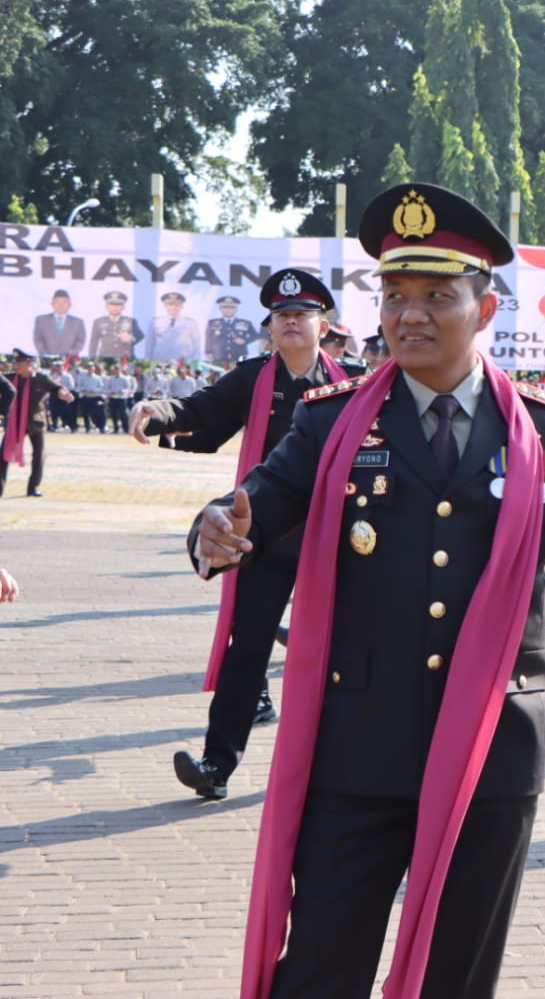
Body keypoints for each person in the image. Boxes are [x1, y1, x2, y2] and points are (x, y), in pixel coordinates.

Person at [189, 181, 545, 999]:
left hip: (492, 746)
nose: (410, 315)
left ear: (486, 304)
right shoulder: (332, 423)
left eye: (437, 295)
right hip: (359, 742)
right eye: (395, 295)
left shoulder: (544, 429)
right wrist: (214, 531)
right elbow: (255, 502)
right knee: (321, 970)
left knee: (459, 977)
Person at [135, 269, 363, 801]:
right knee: (248, 650)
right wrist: (156, 412)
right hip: (263, 537)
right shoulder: (254, 378)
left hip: (337, 540)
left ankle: (345, 764)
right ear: (270, 329)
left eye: (300, 314)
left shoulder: (354, 383)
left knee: (347, 652)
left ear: (323, 325)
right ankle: (217, 765)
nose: (289, 322)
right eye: (280, 316)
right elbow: (200, 415)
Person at [0, 349, 76, 498]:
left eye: (20, 362)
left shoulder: (41, 379)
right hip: (14, 423)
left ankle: (33, 487)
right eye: (15, 362)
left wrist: (62, 393)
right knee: (3, 456)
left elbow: (56, 388)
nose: (16, 365)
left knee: (39, 455)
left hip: (35, 422)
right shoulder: (8, 378)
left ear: (29, 364)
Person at [88, 290, 146, 358]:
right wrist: (92, 358)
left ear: (123, 307)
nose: (114, 307)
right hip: (105, 357)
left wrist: (130, 339)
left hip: (126, 357)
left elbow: (140, 335)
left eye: (118, 305)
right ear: (106, 306)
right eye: (111, 305)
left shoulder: (130, 321)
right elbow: (94, 342)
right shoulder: (98, 321)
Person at [148, 291, 203, 360]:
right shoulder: (155, 321)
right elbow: (149, 345)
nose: (173, 307)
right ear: (164, 305)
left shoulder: (191, 323)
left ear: (182, 306)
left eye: (177, 305)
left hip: (182, 362)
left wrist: (195, 362)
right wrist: (148, 360)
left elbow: (196, 345)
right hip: (160, 360)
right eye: (170, 304)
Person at [207, 295, 260, 363]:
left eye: (232, 307)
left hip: (240, 354)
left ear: (236, 309)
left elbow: (255, 335)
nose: (228, 309)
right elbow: (208, 338)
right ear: (220, 309)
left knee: (242, 370)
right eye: (225, 307)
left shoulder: (245, 323)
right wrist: (208, 352)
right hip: (218, 354)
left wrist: (245, 340)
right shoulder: (212, 322)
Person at [33, 289, 87, 356]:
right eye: (57, 302)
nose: (61, 305)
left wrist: (71, 355)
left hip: (70, 361)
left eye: (64, 302)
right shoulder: (41, 320)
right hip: (47, 360)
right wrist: (46, 355)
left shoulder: (78, 322)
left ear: (70, 305)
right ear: (52, 304)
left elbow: (80, 341)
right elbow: (38, 340)